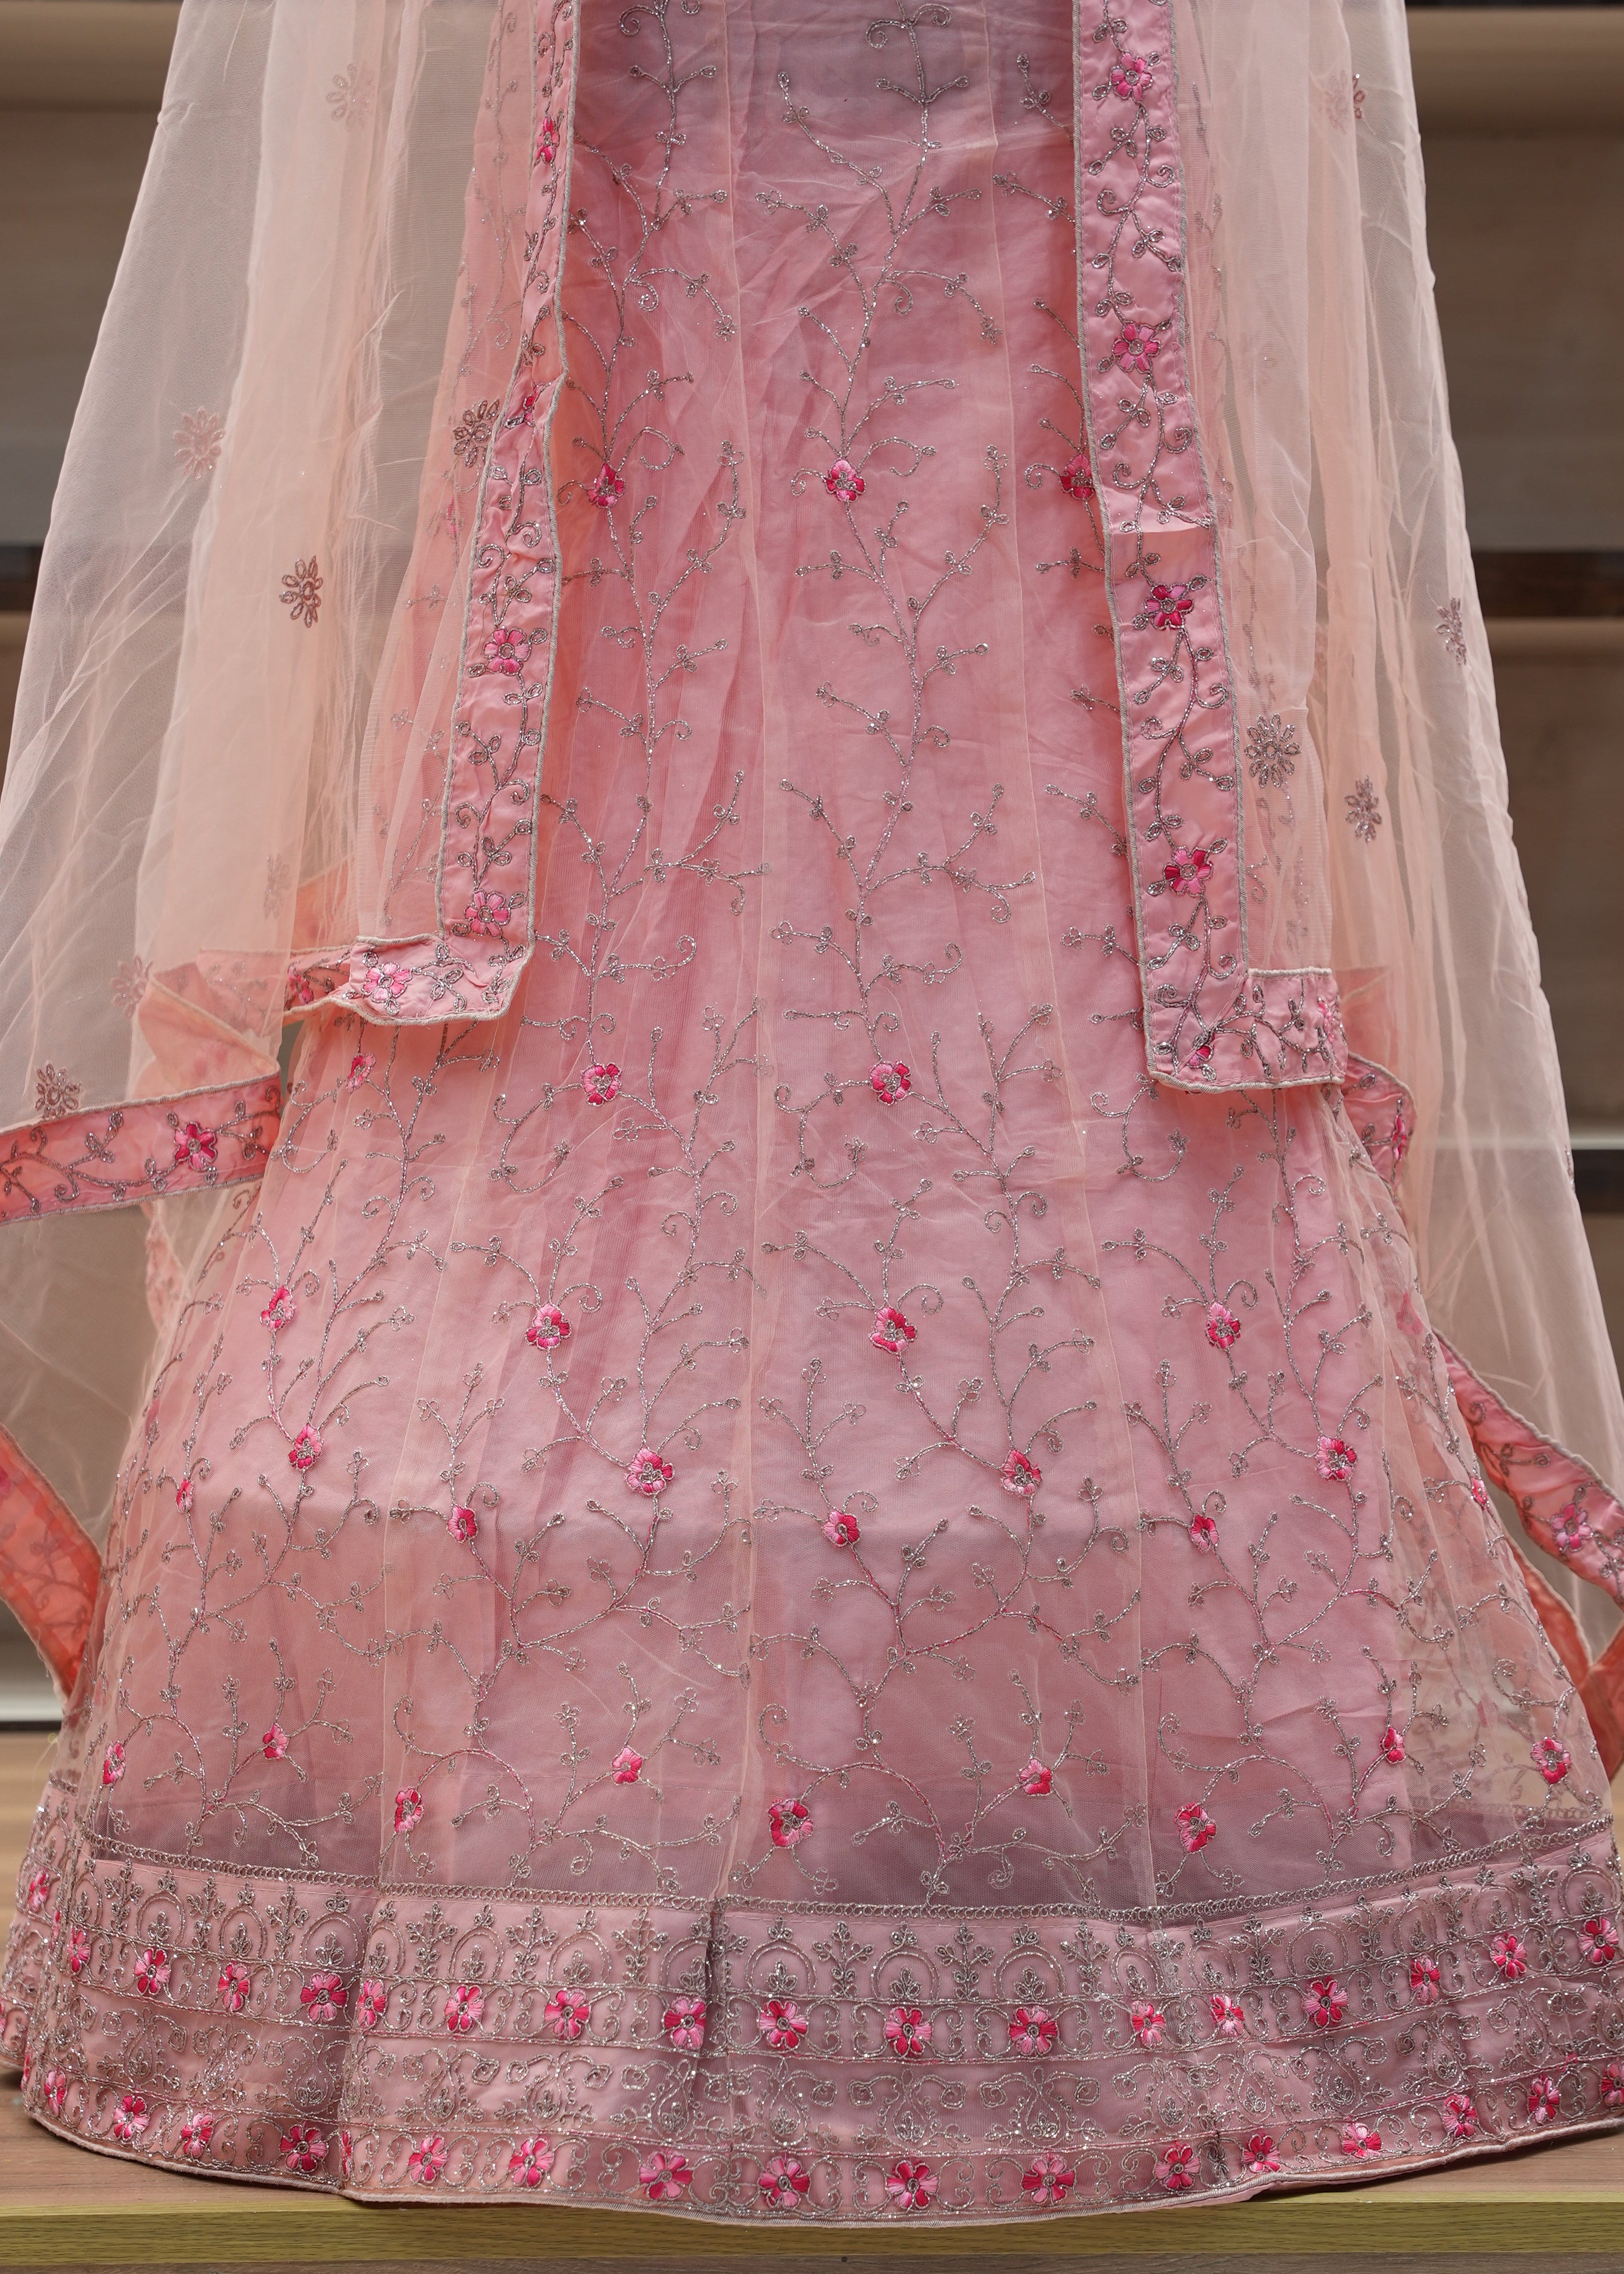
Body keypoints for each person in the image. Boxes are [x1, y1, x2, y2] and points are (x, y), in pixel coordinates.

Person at [3, 0, 1623, 2225]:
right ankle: (522, 1946)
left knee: (1008, 829)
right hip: (632, 281)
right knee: (652, 778)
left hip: (1048, 308)